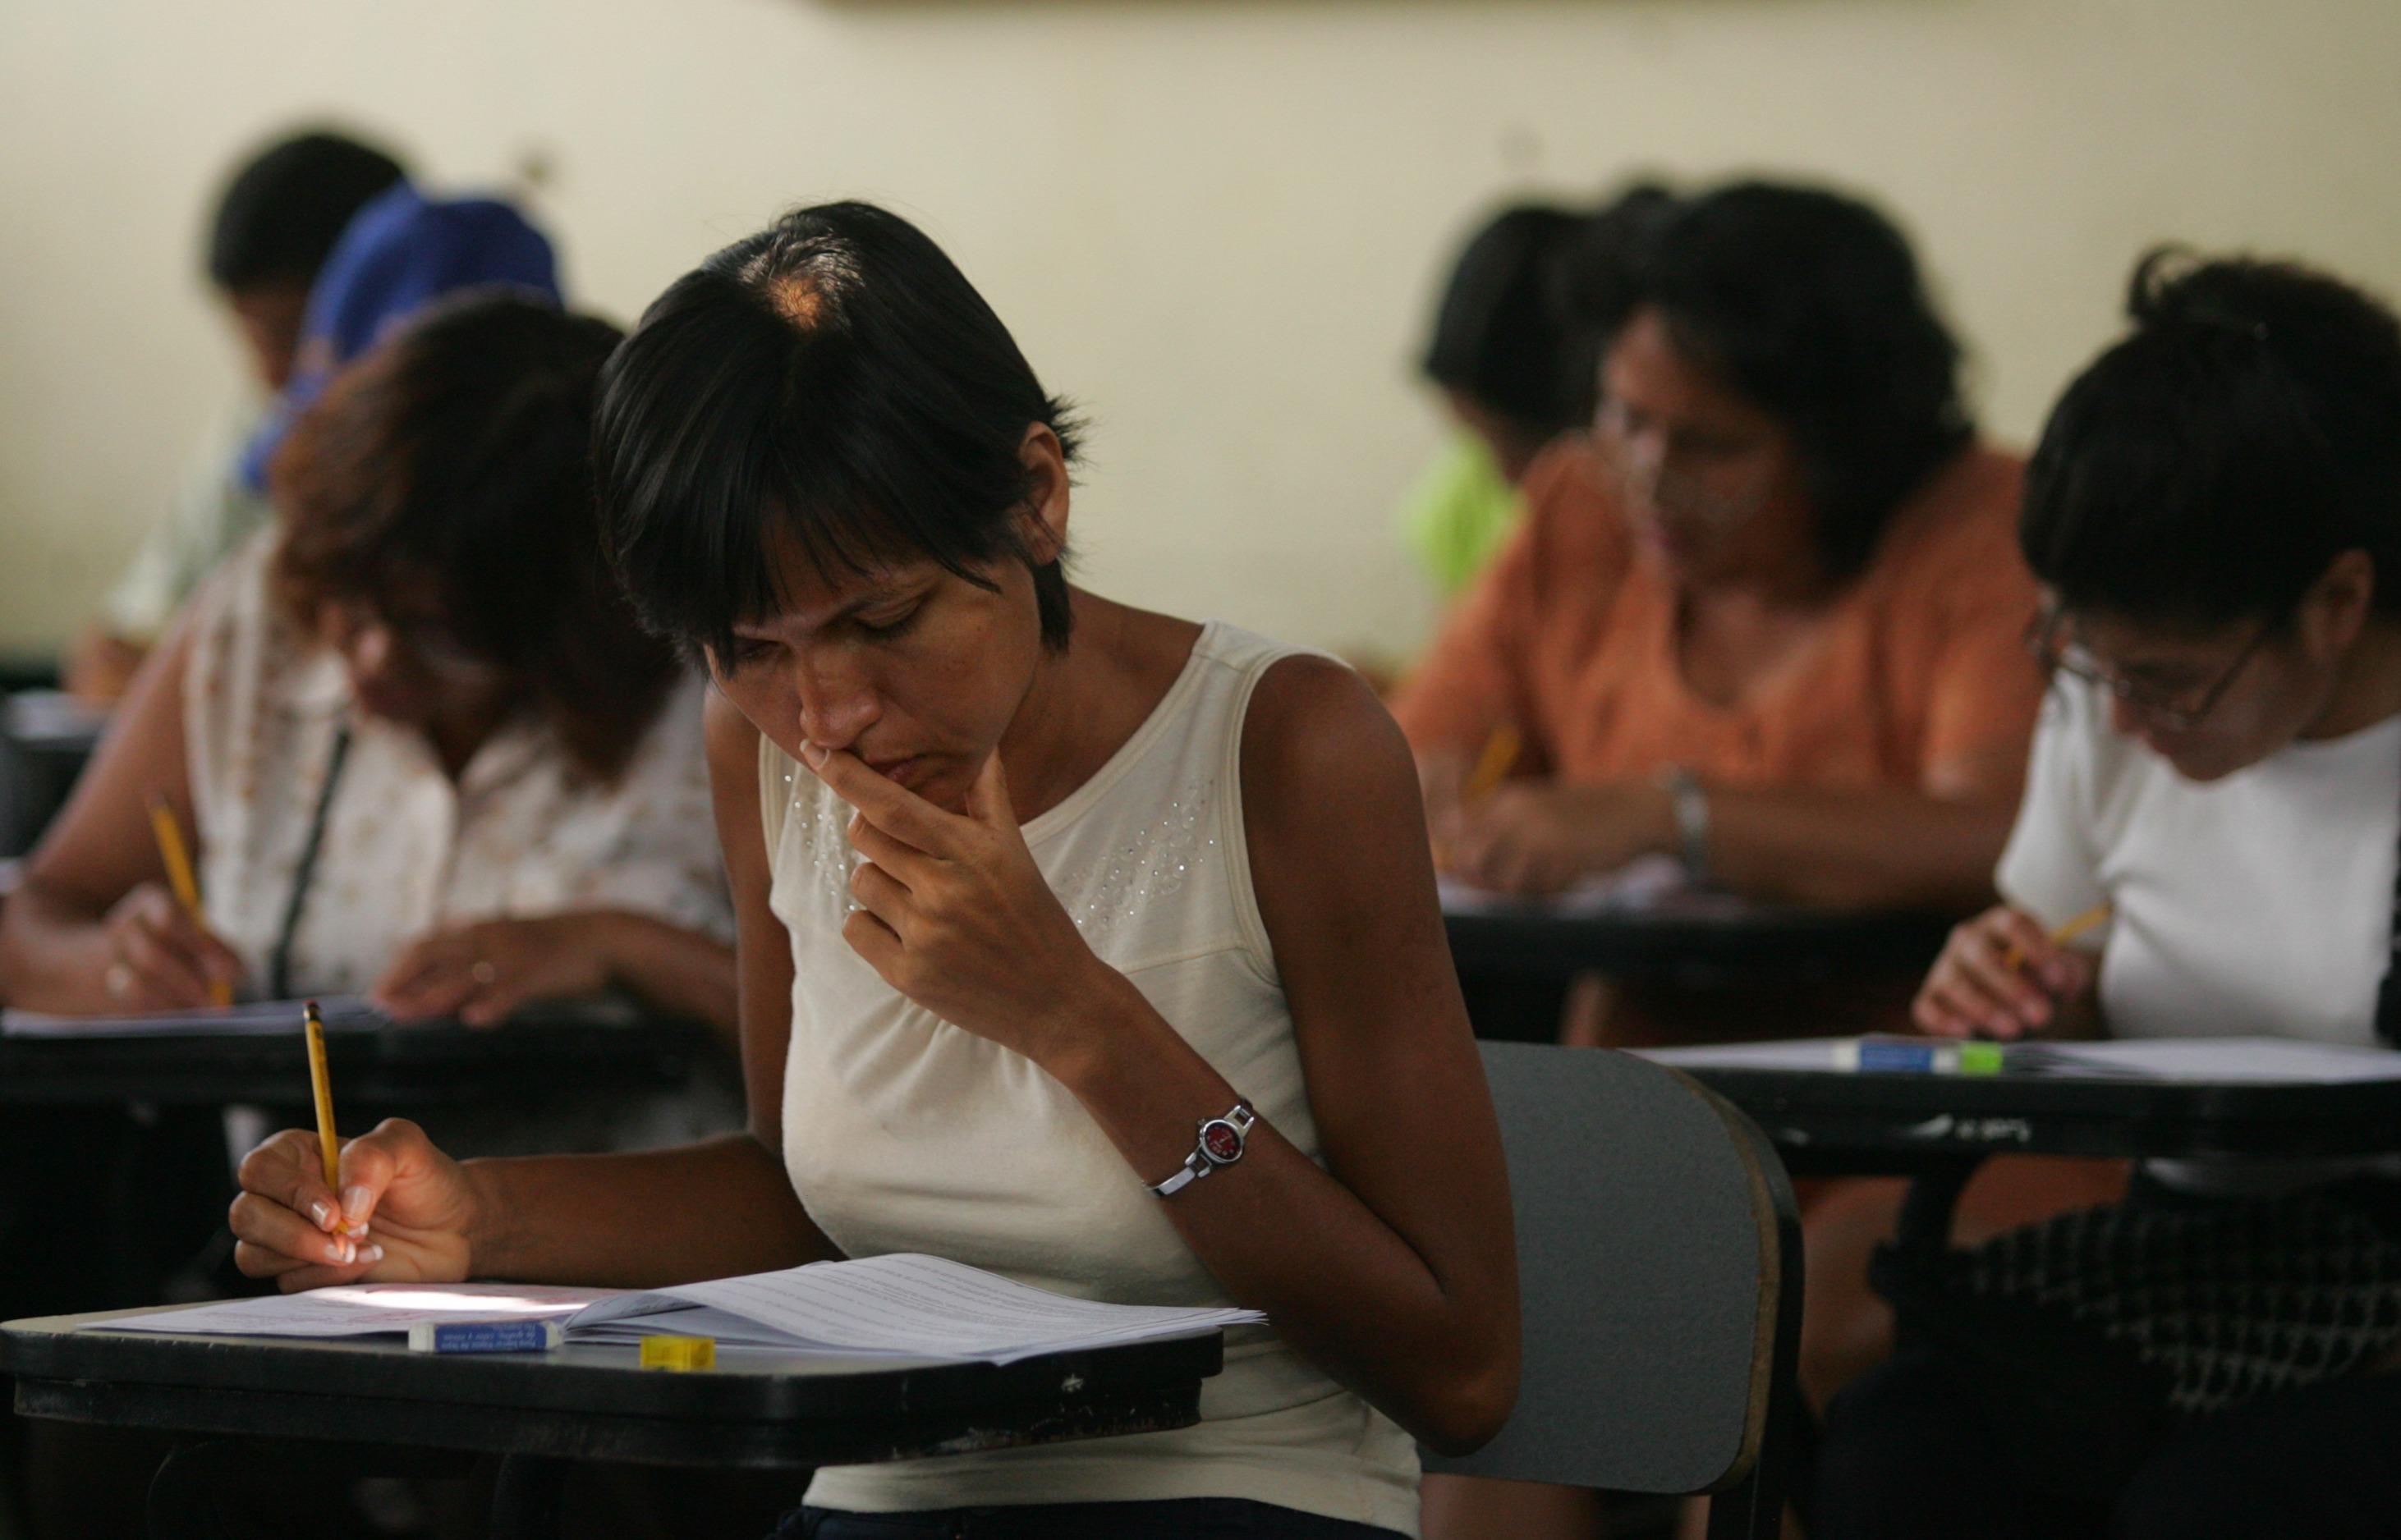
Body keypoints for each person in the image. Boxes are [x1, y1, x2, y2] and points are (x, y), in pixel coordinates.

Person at [226, 201, 1521, 1540]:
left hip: (1233, 1495)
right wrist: (477, 1217)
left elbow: (1460, 1370)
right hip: (880, 1496)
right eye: (751, 647)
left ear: (1034, 498)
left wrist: (1078, 1020)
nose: (825, 714)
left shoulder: (1284, 749)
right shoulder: (762, 752)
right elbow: (809, 1194)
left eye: (881, 619)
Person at [1815, 253, 2401, 1540]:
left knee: (2216, 1511)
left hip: (2378, 1305)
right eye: (2087, 662)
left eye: (2172, 680)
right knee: (1893, 1453)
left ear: (2338, 603)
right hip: (2191, 1269)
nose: (2126, 722)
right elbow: (2061, 967)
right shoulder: (2110, 711)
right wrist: (2034, 1000)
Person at [1394, 180, 2046, 1043]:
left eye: (1711, 446)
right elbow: (1422, 750)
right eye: (1624, 417)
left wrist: (1669, 819)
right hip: (1637, 1088)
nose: (1648, 476)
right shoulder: (1580, 507)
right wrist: (1432, 796)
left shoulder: (1982, 530)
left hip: (1915, 1090)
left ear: (1840, 443)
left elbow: (1995, 835)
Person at [0, 293, 735, 1051]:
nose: (374, 657)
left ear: (581, 620)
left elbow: (837, 1061)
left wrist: (619, 950)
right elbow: (35, 918)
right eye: (349, 605)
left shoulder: (721, 685)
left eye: (440, 631)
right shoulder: (258, 624)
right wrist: (110, 969)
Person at [67, 129, 406, 704]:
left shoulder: (461, 451)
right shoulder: (260, 428)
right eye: (250, 335)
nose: (271, 373)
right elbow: (117, 646)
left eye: (290, 335)